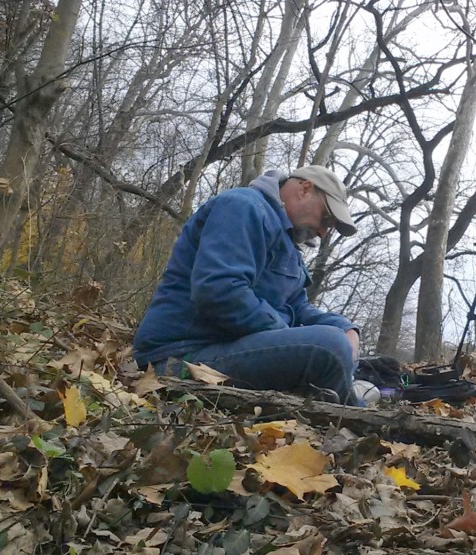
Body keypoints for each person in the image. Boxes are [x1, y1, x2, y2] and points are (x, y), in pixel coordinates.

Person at [132, 165, 363, 404]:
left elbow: (298, 308)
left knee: (341, 342)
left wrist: (346, 328)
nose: (324, 232)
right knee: (330, 347)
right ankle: (363, 422)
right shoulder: (243, 207)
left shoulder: (289, 246)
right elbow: (220, 291)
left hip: (224, 350)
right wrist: (289, 335)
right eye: (326, 218)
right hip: (179, 358)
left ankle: (359, 413)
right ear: (305, 189)